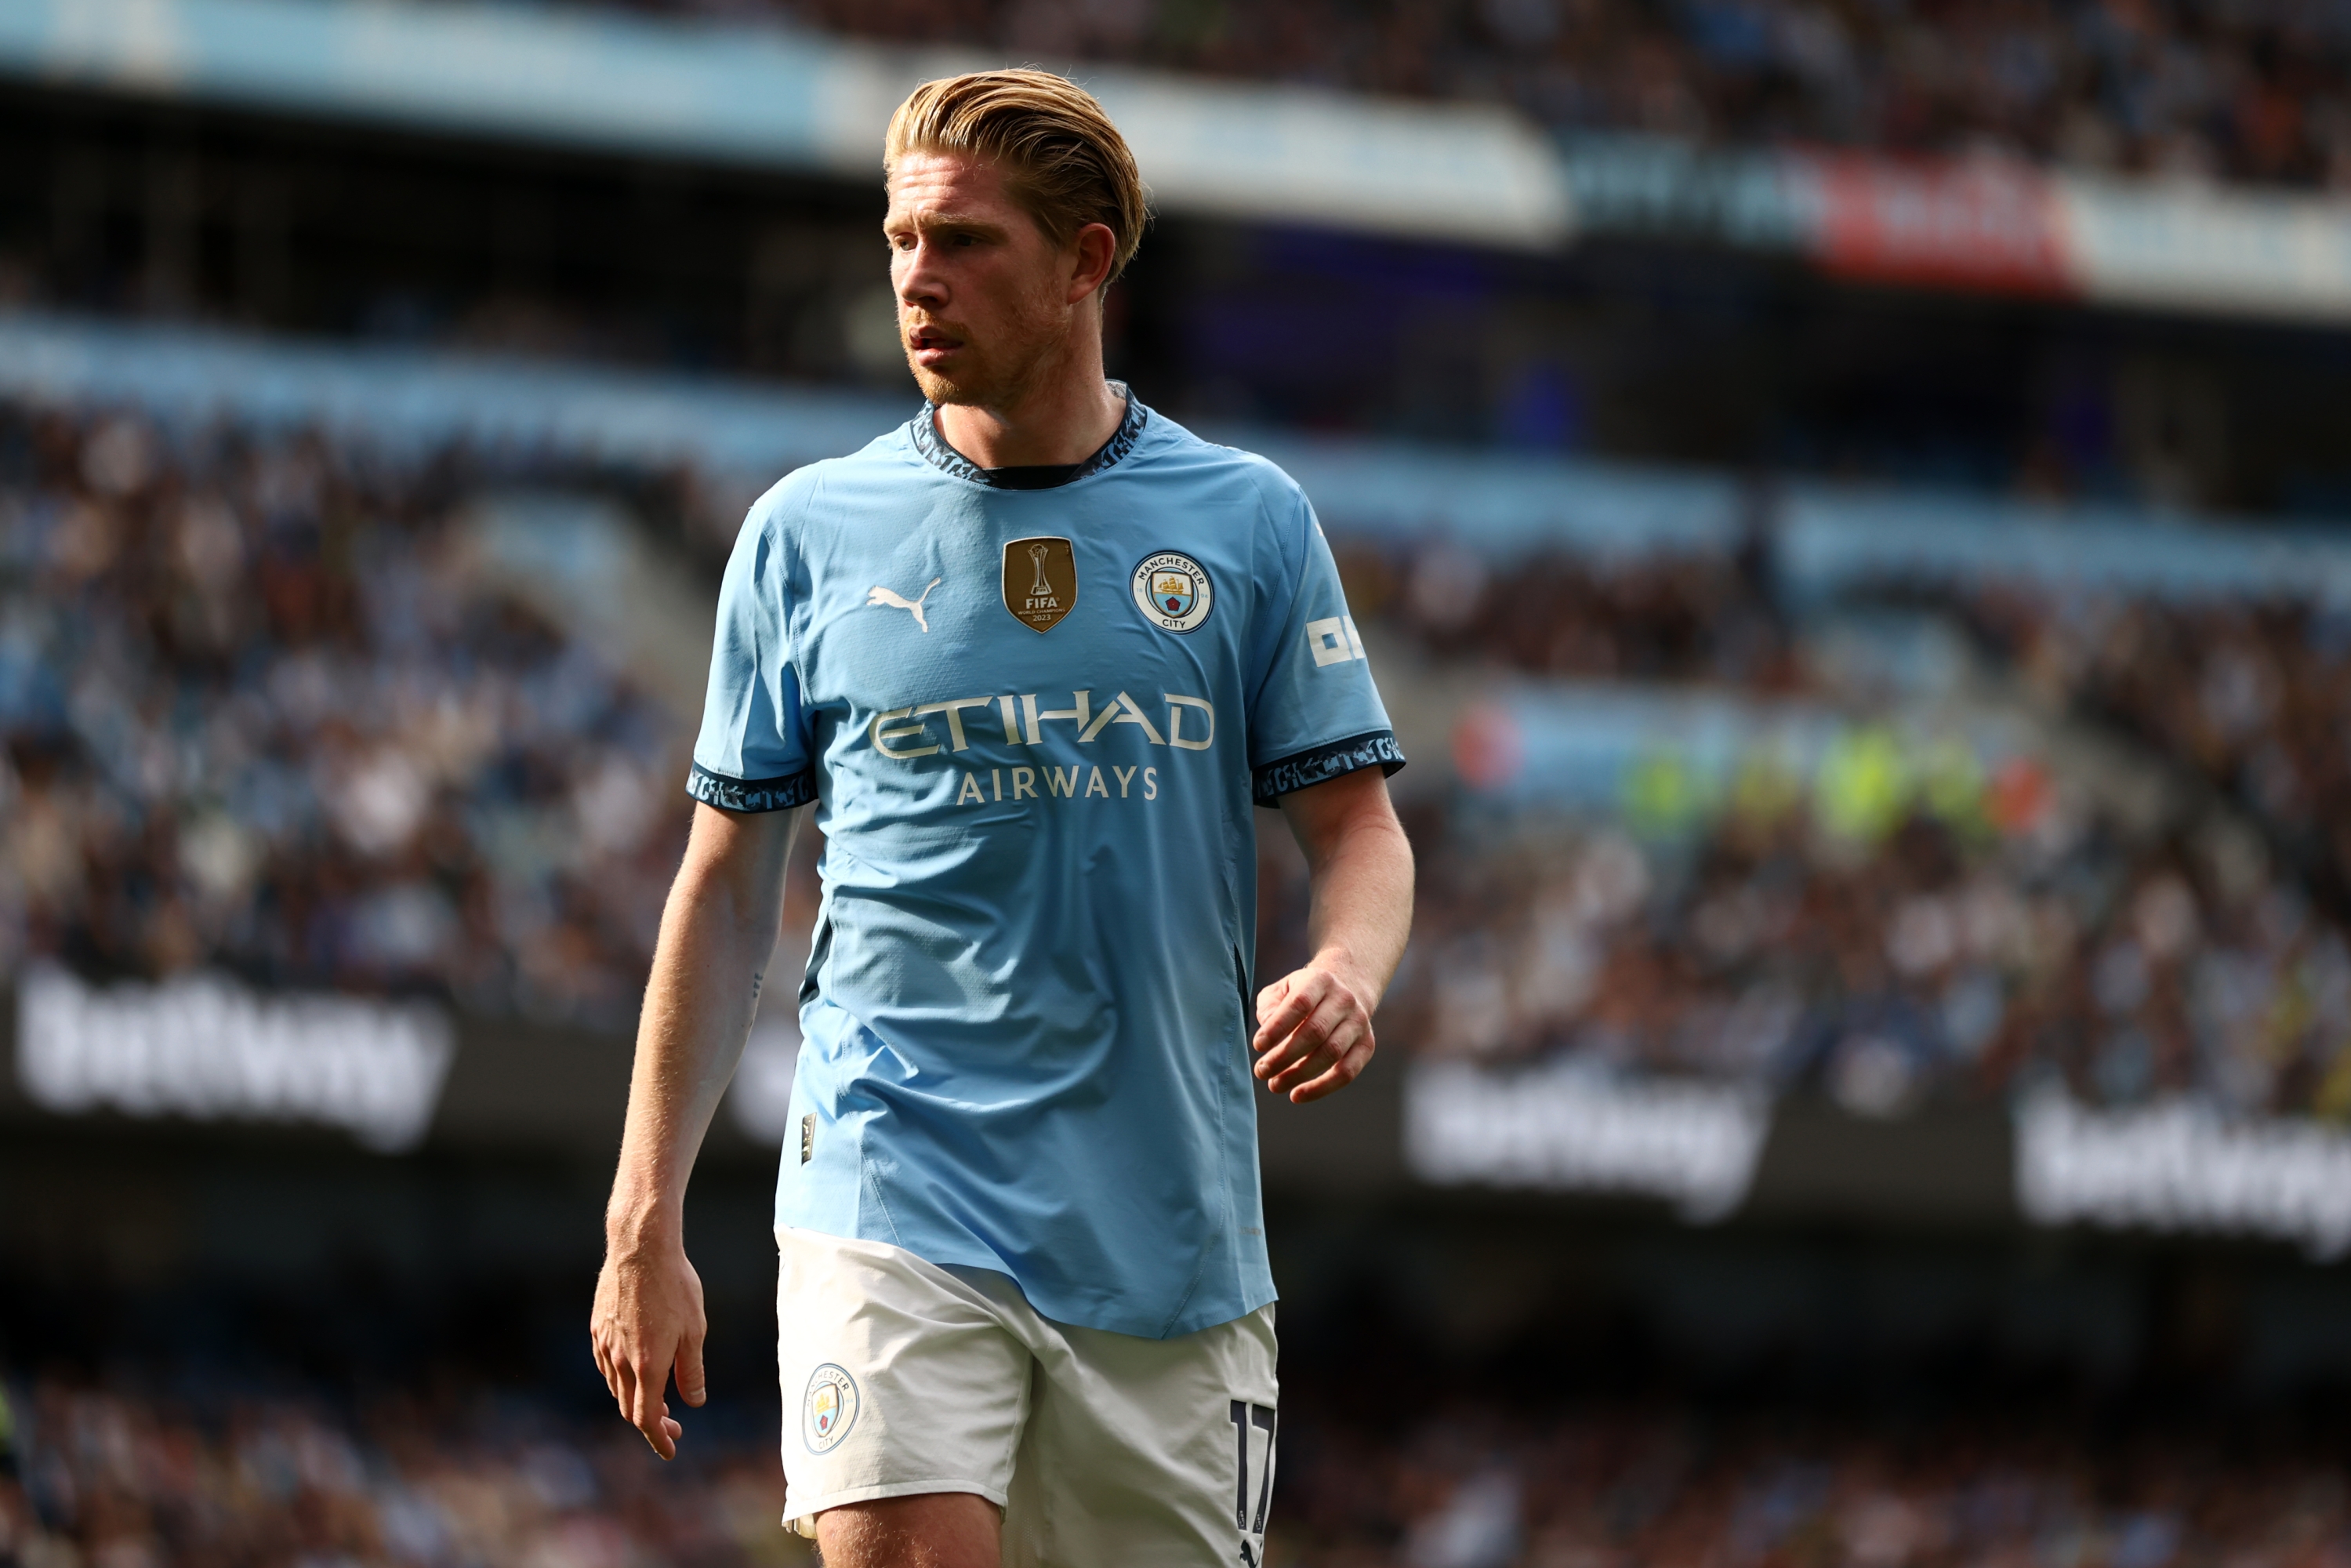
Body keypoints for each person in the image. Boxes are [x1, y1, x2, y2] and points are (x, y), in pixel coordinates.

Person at [590, 68, 1414, 1568]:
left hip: (1170, 1242)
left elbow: (1357, 831)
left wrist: (1349, 970)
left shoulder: (1247, 522)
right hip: (891, 1182)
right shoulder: (802, 536)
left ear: (1087, 262)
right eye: (902, 240)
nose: (919, 277)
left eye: (966, 243)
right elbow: (721, 889)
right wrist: (643, 1216)